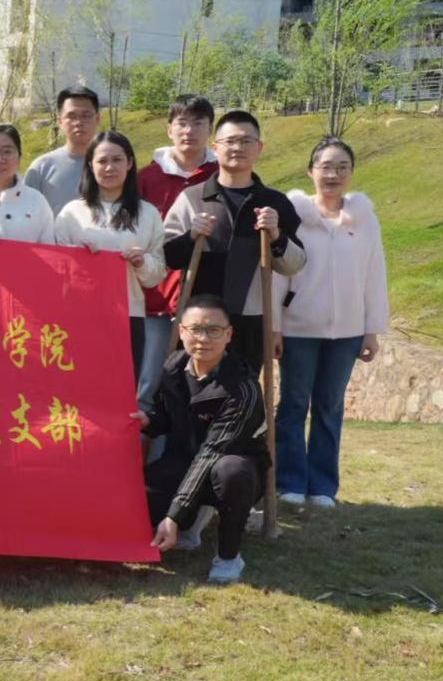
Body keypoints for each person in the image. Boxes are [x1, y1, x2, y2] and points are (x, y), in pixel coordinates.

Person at [273, 137, 388, 509]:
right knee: (293, 404)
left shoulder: (365, 220)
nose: (333, 174)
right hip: (298, 329)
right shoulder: (294, 217)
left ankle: (322, 486)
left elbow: (374, 275)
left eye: (342, 167)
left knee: (330, 406)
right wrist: (274, 326)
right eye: (325, 166)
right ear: (311, 171)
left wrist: (372, 329)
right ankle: (289, 481)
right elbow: (278, 274)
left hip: (348, 333)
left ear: (352, 173)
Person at [134, 294, 270, 584]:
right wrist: (149, 421)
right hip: (182, 462)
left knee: (231, 471)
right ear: (182, 331)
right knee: (137, 504)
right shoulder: (174, 368)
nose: (203, 339)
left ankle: (228, 556)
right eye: (195, 329)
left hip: (230, 469)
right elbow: (167, 415)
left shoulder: (242, 389)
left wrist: (174, 515)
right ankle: (189, 523)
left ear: (229, 335)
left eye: (214, 330)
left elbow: (212, 452)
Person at [162, 110, 305, 376]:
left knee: (243, 391)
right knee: (194, 388)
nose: (238, 148)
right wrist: (190, 236)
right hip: (199, 321)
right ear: (215, 147)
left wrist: (276, 235)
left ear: (259, 148)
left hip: (250, 322)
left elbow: (294, 265)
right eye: (230, 141)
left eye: (246, 141)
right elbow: (166, 257)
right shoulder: (192, 198)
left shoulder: (274, 203)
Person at [54, 131, 165, 380]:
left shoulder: (147, 214)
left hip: (128, 315)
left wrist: (142, 262)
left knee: (122, 387)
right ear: (90, 165)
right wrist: (76, 258)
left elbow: (157, 275)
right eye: (102, 161)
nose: (109, 167)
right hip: (81, 315)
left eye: (117, 160)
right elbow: (57, 272)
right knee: (79, 385)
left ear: (130, 163)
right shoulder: (72, 213)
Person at [137, 95, 219, 410]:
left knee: (200, 388)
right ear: (169, 128)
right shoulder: (146, 178)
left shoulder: (221, 174)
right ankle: (148, 443)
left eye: (198, 123)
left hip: (207, 300)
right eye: (182, 123)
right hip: (154, 298)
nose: (189, 131)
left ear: (210, 129)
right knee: (149, 384)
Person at [24, 85, 100, 214]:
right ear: (60, 121)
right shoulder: (42, 168)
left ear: (97, 119)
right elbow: (26, 214)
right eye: (71, 116)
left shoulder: (112, 165)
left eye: (86, 116)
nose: (79, 122)